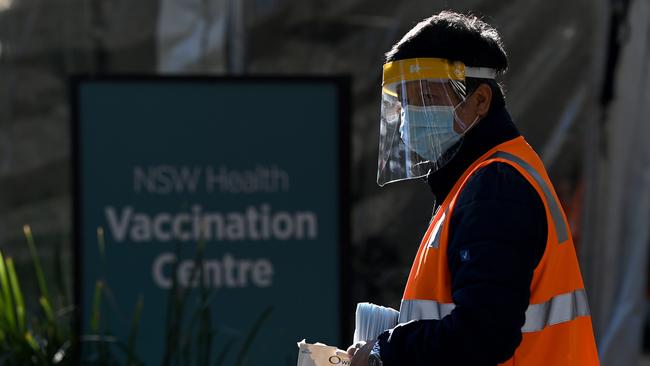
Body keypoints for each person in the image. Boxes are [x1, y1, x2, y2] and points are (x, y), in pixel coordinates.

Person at [348, 11, 600, 366]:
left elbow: (484, 333)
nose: (409, 114)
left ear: (480, 101)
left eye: (425, 96)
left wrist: (387, 349)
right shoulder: (480, 179)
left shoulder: (495, 187)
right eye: (404, 101)